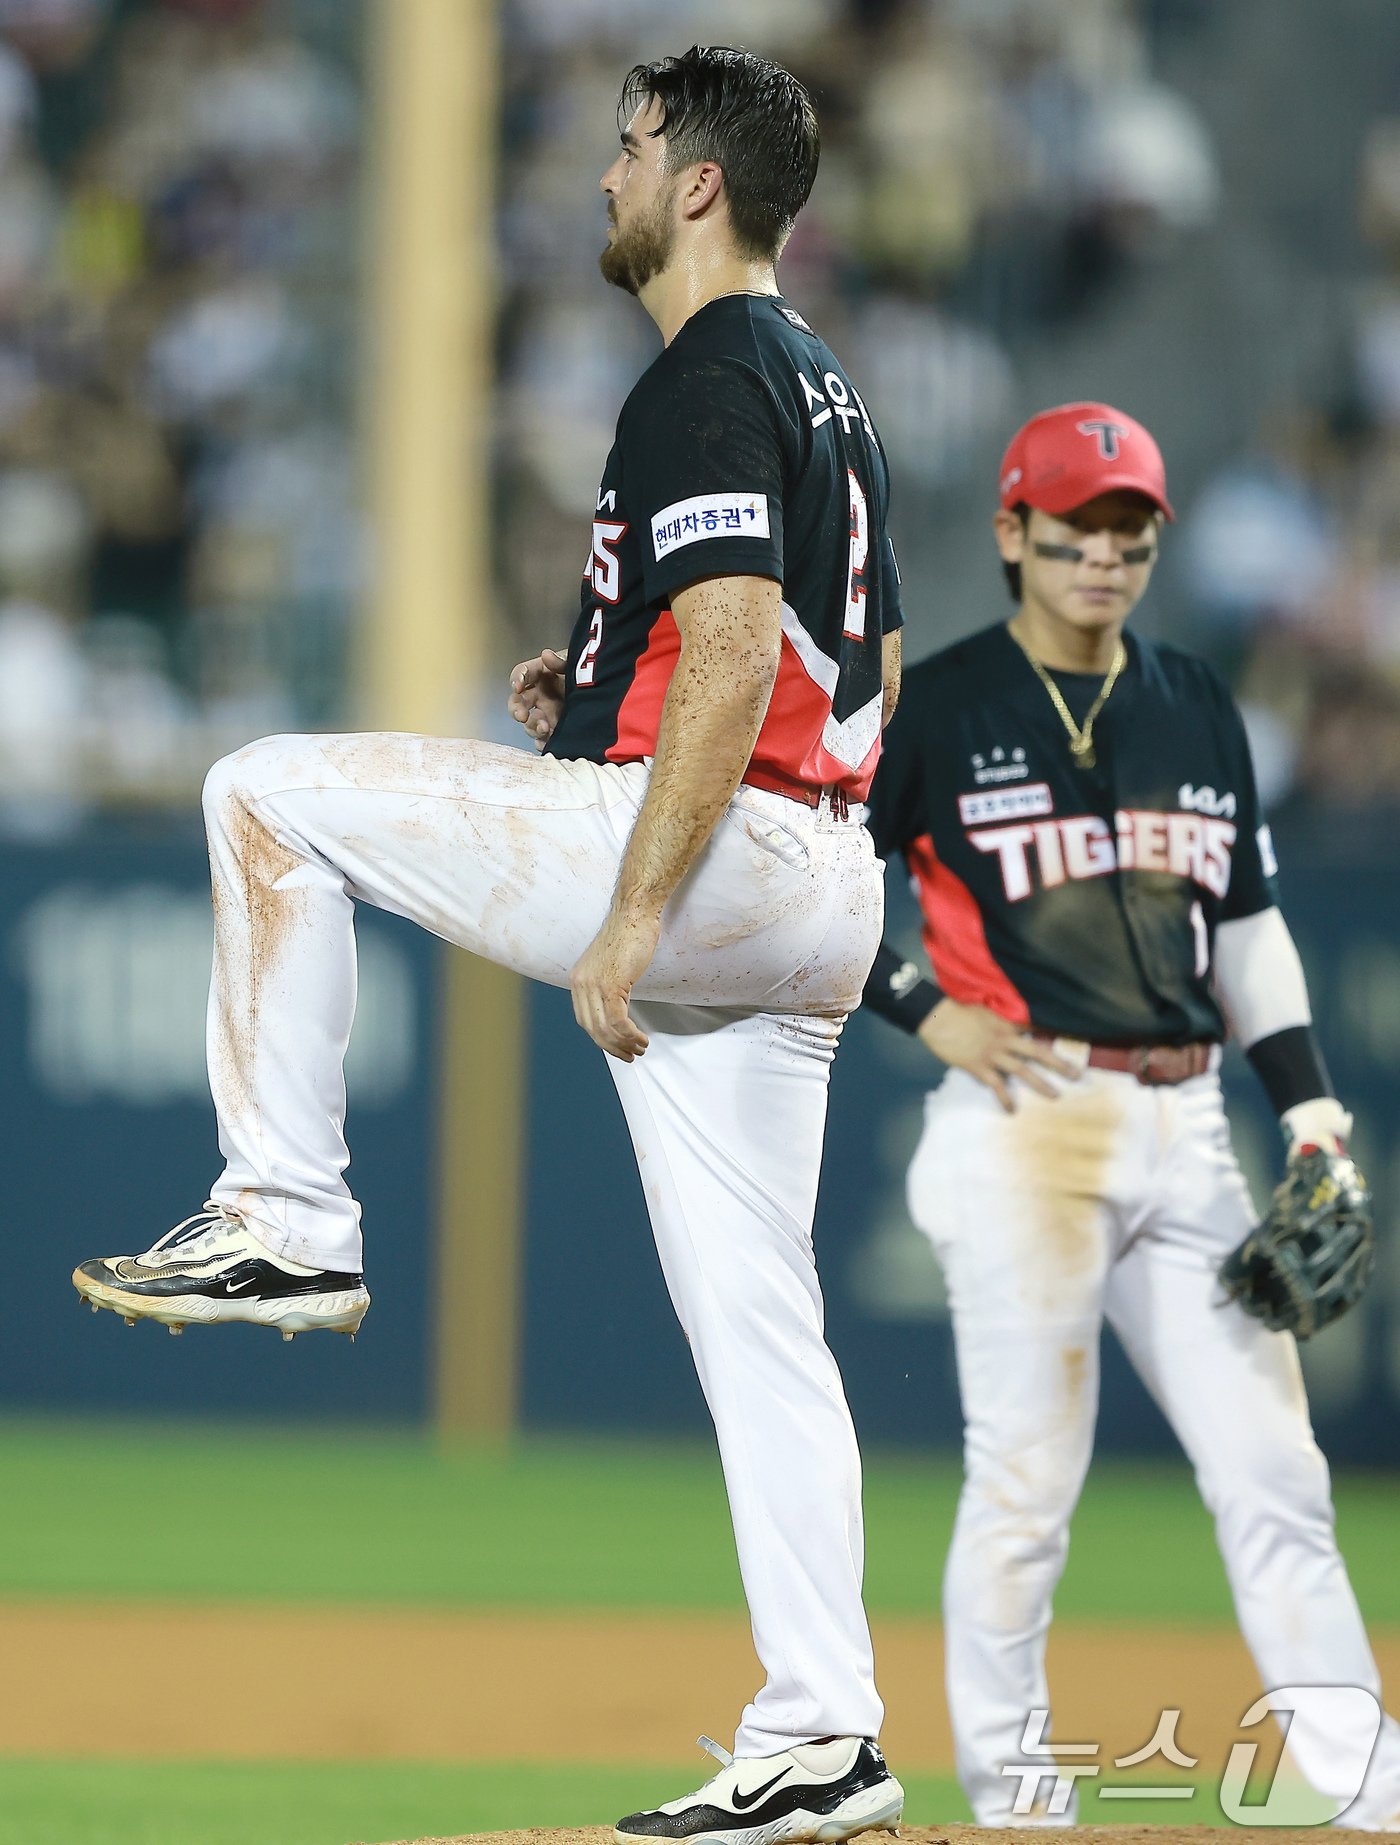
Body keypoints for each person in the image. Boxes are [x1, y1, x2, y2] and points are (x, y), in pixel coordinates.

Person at [73, 47, 905, 1845]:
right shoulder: (831, 387)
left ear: (698, 186)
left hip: (718, 863)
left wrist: (632, 906)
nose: (605, 176)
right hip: (824, 875)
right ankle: (824, 1730)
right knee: (763, 1325)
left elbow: (745, 648)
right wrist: (599, 691)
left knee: (262, 789)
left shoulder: (707, 365)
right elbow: (860, 667)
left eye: (627, 151)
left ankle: (288, 1216)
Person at [860, 402, 1400, 1829]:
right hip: (1028, 1119)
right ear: (1013, 533)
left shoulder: (1196, 700)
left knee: (1275, 1464)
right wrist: (919, 1006)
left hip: (1189, 1119)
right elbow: (812, 884)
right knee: (1030, 1485)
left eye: (1128, 529)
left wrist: (1315, 1116)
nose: (1104, 552)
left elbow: (1251, 924)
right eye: (1076, 527)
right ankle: (1016, 1797)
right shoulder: (942, 705)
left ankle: (1363, 1781)